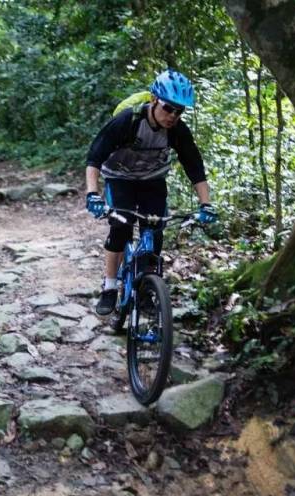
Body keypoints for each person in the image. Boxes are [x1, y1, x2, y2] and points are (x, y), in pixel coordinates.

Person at [84, 69, 218, 316]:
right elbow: (94, 158)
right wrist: (92, 194)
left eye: (180, 111)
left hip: (152, 181)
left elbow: (195, 167)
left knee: (154, 234)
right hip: (119, 178)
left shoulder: (177, 130)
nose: (173, 116)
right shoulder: (127, 121)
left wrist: (205, 204)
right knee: (120, 228)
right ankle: (110, 287)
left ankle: (147, 289)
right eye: (168, 108)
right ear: (154, 100)